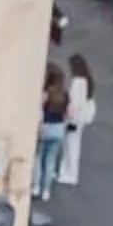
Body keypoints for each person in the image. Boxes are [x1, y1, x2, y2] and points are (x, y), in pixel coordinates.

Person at [58, 57, 95, 187]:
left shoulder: (77, 82)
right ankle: (69, 171)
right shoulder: (87, 80)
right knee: (74, 144)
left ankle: (68, 173)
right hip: (81, 118)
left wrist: (69, 118)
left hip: (75, 118)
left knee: (70, 145)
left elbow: (74, 103)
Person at [35, 69, 68, 198]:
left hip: (45, 128)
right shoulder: (64, 95)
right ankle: (46, 191)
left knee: (38, 158)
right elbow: (70, 113)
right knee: (50, 160)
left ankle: (36, 186)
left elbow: (40, 112)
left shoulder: (46, 94)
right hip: (58, 129)